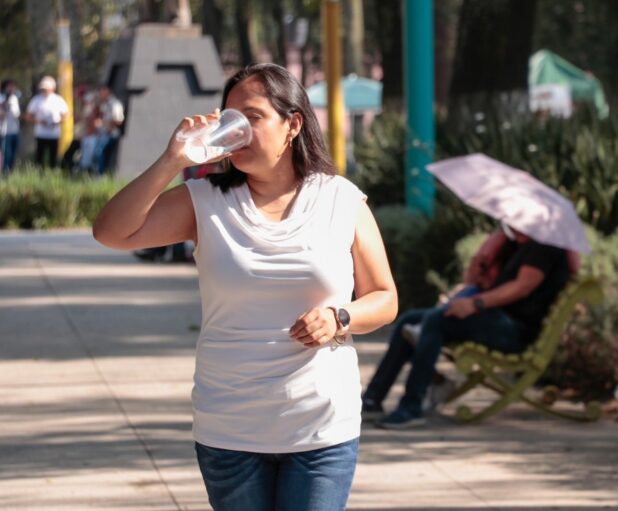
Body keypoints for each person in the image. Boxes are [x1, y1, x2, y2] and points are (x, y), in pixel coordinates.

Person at [93, 63, 398, 510]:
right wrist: (171, 160)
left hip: (321, 425)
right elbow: (110, 232)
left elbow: (385, 298)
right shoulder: (206, 201)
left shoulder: (340, 199)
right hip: (230, 427)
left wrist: (340, 317)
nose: (235, 129)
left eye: (251, 117)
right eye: (228, 118)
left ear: (292, 123)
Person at [362, 226, 572, 429]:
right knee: (409, 320)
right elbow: (479, 282)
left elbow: (522, 287)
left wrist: (475, 303)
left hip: (515, 331)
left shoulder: (545, 245)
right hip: (495, 319)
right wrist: (484, 259)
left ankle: (411, 407)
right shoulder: (515, 244)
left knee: (438, 320)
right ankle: (372, 400)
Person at [25, 75, 69, 168]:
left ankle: (51, 173)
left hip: (54, 134)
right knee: (39, 156)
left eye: (46, 89)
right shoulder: (36, 100)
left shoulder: (58, 100)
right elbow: (28, 116)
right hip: (40, 133)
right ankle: (38, 173)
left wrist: (57, 122)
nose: (44, 91)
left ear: (52, 88)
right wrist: (38, 121)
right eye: (43, 89)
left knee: (53, 157)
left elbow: (66, 115)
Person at [92, 84, 124, 174]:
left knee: (99, 151)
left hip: (111, 135)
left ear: (107, 92)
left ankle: (100, 174)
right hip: (102, 134)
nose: (100, 94)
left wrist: (104, 123)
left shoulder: (115, 104)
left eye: (101, 92)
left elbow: (119, 121)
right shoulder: (104, 104)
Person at [0, 79, 21, 171]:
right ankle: (5, 171)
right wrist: (3, 107)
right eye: (9, 86)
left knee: (13, 153)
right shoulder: (1, 98)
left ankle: (10, 171)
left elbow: (17, 114)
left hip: (15, 130)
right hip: (4, 131)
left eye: (13, 86)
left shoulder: (15, 98)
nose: (12, 88)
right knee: (6, 153)